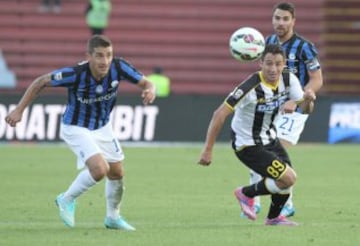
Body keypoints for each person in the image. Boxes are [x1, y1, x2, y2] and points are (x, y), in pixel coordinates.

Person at [4, 35, 156, 230]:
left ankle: (113, 218)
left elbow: (147, 83)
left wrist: (150, 90)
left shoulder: (119, 67)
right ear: (89, 56)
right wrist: (19, 110)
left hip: (102, 126)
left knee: (117, 173)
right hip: (75, 127)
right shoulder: (76, 74)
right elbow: (41, 81)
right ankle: (66, 199)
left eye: (109, 55)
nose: (105, 61)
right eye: (100, 56)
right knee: (100, 170)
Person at [198, 44, 316, 226]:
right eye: (269, 63)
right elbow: (219, 114)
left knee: (287, 181)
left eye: (278, 64)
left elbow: (306, 109)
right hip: (247, 144)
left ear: (284, 64)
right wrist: (208, 150)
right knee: (288, 177)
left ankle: (273, 218)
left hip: (270, 139)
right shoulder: (250, 87)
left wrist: (306, 100)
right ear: (260, 63)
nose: (273, 69)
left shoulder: (289, 79)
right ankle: (246, 193)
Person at [247, 2, 323, 218]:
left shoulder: (304, 47)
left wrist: (297, 100)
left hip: (295, 110)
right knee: (259, 150)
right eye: (277, 18)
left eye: (285, 19)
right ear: (272, 19)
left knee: (271, 153)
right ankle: (255, 202)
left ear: (293, 21)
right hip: (271, 106)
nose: (280, 22)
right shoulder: (268, 42)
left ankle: (282, 202)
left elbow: (317, 80)